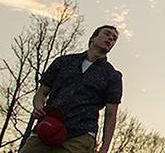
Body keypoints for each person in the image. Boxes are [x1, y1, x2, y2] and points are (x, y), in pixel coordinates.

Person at [20, 25, 122, 153]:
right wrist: (38, 106)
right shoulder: (63, 62)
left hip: (80, 135)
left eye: (114, 39)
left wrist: (105, 147)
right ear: (93, 38)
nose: (110, 39)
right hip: (47, 126)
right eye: (107, 34)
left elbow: (111, 114)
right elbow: (42, 92)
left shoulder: (112, 75)